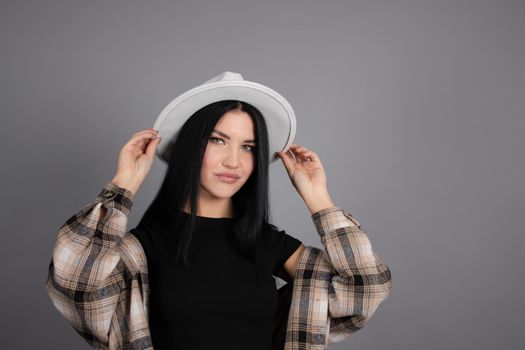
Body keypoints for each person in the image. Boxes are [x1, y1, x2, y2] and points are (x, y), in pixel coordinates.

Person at [45, 72, 392, 350]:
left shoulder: (266, 244)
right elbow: (74, 282)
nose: (233, 161)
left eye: (248, 147)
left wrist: (319, 200)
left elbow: (365, 288)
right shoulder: (146, 246)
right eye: (217, 140)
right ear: (189, 146)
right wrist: (123, 185)